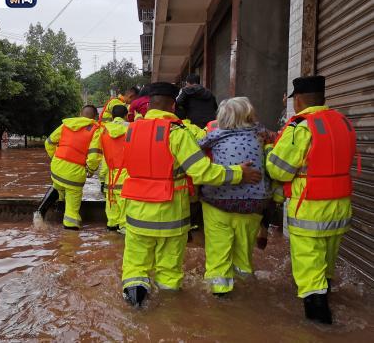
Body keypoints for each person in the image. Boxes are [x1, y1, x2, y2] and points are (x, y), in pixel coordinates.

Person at [120, 82, 262, 307]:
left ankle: (136, 305)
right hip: (171, 214)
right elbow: (202, 172)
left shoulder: (130, 131)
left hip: (136, 212)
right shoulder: (177, 133)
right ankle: (170, 313)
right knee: (169, 271)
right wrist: (238, 174)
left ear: (148, 104)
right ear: (173, 105)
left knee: (135, 265)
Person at [266, 76, 357, 325]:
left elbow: (279, 170)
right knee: (326, 266)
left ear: (300, 100)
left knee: (309, 271)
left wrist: (268, 154)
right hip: (340, 206)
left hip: (309, 208)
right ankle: (326, 299)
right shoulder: (344, 123)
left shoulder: (301, 127)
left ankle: (319, 324)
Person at [199, 97, 272, 296]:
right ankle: (246, 287)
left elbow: (195, 151)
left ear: (222, 117)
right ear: (249, 115)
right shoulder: (260, 132)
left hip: (218, 202)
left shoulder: (215, 135)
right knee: (243, 253)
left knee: (218, 250)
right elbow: (277, 138)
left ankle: (220, 291)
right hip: (254, 204)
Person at [45, 105, 103, 230]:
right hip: (74, 175)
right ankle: (70, 237)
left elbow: (48, 143)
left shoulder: (66, 124)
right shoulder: (95, 130)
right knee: (72, 211)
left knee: (58, 186)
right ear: (95, 117)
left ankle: (51, 210)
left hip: (56, 168)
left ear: (80, 113)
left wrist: (54, 157)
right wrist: (91, 170)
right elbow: (93, 157)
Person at [100, 105, 129, 233]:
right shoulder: (132, 129)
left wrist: (102, 178)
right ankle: (123, 226)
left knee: (111, 202)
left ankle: (111, 225)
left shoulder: (104, 130)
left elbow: (103, 157)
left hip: (110, 175)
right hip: (127, 174)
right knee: (125, 204)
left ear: (112, 116)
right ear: (126, 116)